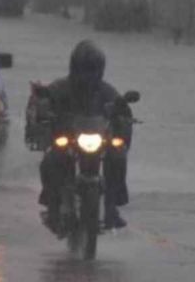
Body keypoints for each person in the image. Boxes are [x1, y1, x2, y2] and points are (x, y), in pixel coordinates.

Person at [36, 40, 132, 231]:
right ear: (74, 67)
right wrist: (45, 108)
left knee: (117, 157)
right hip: (69, 139)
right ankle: (53, 206)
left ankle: (112, 207)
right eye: (84, 68)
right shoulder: (60, 88)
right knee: (51, 160)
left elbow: (124, 111)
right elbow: (44, 104)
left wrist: (122, 114)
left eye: (92, 69)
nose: (88, 74)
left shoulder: (107, 91)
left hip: (97, 139)